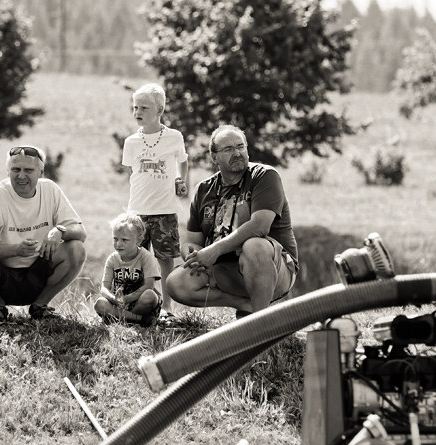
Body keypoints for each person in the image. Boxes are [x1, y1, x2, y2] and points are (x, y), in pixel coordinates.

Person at [166, 125, 297, 318]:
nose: (237, 153)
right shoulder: (203, 190)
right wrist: (191, 253)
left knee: (254, 246)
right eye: (228, 149)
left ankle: (261, 323)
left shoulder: (264, 176)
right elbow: (192, 240)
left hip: (275, 269)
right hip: (226, 270)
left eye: (240, 147)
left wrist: (215, 249)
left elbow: (260, 227)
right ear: (214, 157)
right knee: (175, 282)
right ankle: (245, 306)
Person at [0, 145, 87, 322]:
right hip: (2, 277)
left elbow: (80, 232)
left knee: (76, 249)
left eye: (28, 170)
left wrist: (59, 231)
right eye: (15, 170)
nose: (21, 176)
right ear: (7, 171)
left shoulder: (50, 190)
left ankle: (40, 307)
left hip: (39, 274)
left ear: (41, 172)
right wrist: (15, 250)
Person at [121, 83, 188, 317]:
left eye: (144, 108)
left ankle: (168, 307)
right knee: (136, 258)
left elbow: (183, 161)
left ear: (160, 110)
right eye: (135, 107)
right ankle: (138, 305)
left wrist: (181, 180)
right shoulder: (131, 142)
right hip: (137, 211)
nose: (138, 112)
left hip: (165, 209)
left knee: (165, 258)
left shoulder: (174, 137)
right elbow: (133, 173)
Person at [94, 213, 162, 327]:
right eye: (115, 239)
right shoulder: (112, 259)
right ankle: (139, 320)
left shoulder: (146, 257)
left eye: (125, 240)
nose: (118, 244)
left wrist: (127, 299)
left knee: (149, 296)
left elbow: (149, 286)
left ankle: (119, 317)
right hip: (119, 303)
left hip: (139, 302)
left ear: (139, 240)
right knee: (100, 304)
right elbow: (104, 288)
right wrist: (114, 298)